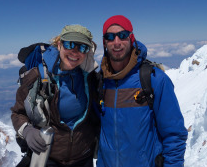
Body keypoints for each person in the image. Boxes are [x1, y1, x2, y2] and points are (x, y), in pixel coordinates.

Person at [96, 15, 188, 167]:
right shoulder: (101, 82)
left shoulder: (154, 79)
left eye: (123, 35)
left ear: (131, 38)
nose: (117, 42)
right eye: (110, 37)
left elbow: (174, 134)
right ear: (104, 42)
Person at [11, 24, 100, 167]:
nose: (75, 52)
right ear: (59, 45)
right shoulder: (38, 76)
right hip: (49, 158)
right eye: (70, 44)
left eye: (82, 48)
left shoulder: (89, 78)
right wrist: (27, 131)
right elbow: (18, 113)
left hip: (84, 158)